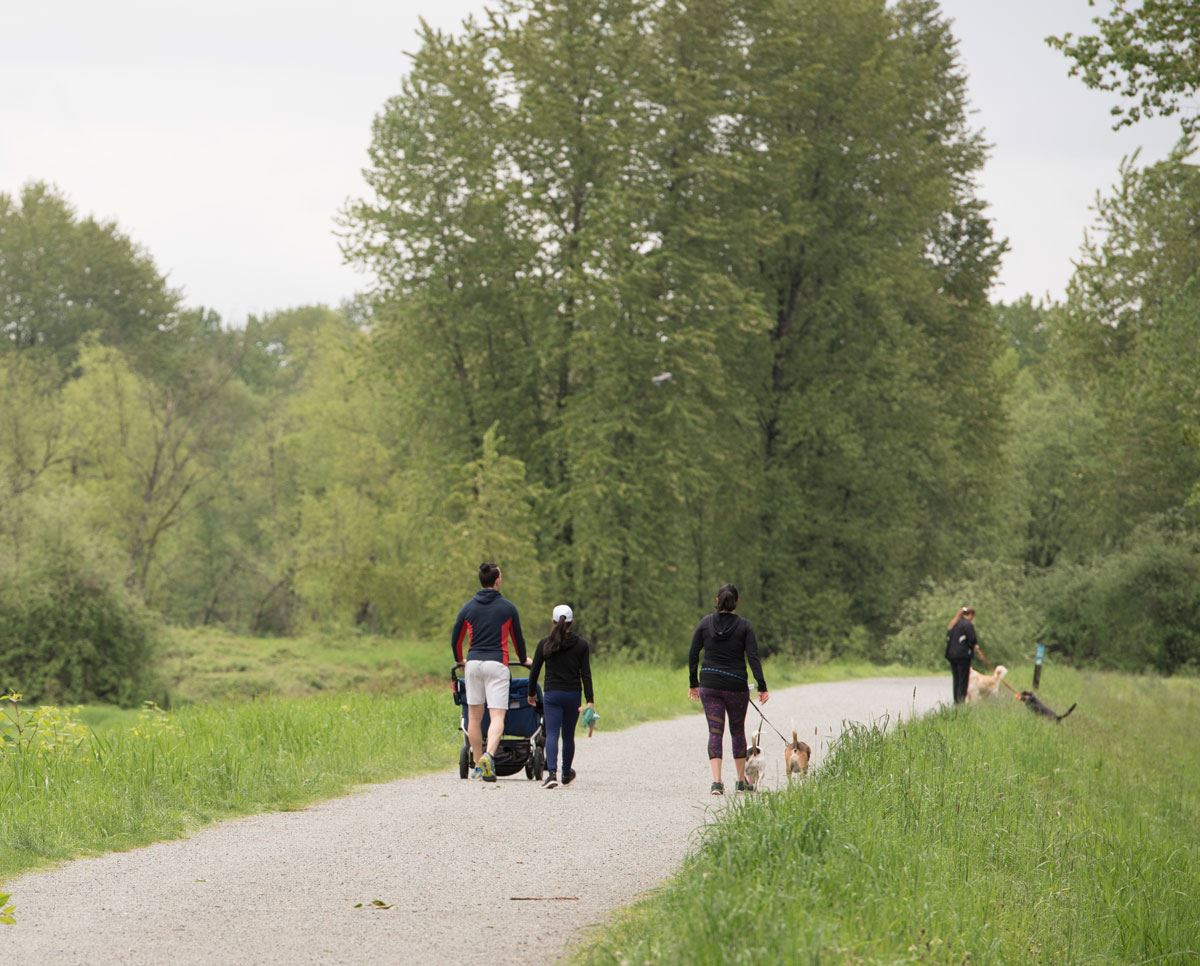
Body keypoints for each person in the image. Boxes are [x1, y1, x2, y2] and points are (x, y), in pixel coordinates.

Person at [451, 561, 530, 782]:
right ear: (497, 581)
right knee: (497, 715)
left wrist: (461, 661)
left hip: (473, 664)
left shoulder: (467, 608)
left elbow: (455, 640)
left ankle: (477, 764)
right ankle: (489, 755)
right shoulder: (508, 608)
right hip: (497, 664)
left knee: (474, 718)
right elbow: (518, 640)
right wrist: (524, 660)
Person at [688, 583, 768, 796]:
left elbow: (693, 653)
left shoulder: (705, 623)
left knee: (715, 731)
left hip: (710, 685)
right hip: (736, 686)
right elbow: (753, 657)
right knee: (737, 731)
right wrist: (762, 686)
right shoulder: (745, 626)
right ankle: (741, 782)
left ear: (717, 600)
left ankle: (716, 783)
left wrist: (693, 683)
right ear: (736, 602)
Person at [527, 604, 594, 789]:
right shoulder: (581, 645)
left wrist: (531, 694)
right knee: (568, 736)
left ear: (553, 621)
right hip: (573, 695)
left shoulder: (545, 644)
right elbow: (585, 674)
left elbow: (534, 671)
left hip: (552, 695)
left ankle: (552, 775)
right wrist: (590, 700)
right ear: (571, 622)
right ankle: (566, 773)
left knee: (552, 734)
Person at [945, 605, 986, 704]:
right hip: (963, 656)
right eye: (973, 616)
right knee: (963, 679)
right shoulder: (967, 624)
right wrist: (976, 648)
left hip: (951, 655)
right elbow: (972, 639)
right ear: (970, 615)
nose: (972, 619)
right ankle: (961, 702)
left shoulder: (954, 623)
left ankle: (956, 701)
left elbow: (948, 638)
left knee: (956, 679)